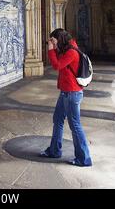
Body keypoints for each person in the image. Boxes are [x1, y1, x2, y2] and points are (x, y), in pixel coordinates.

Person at [40, 28, 92, 167]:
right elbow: (61, 60)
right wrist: (55, 47)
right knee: (57, 119)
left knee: (75, 125)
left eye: (53, 40)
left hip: (72, 93)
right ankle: (54, 150)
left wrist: (51, 50)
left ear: (60, 38)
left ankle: (84, 158)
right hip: (66, 92)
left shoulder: (71, 52)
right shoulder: (69, 48)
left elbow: (57, 65)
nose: (52, 43)